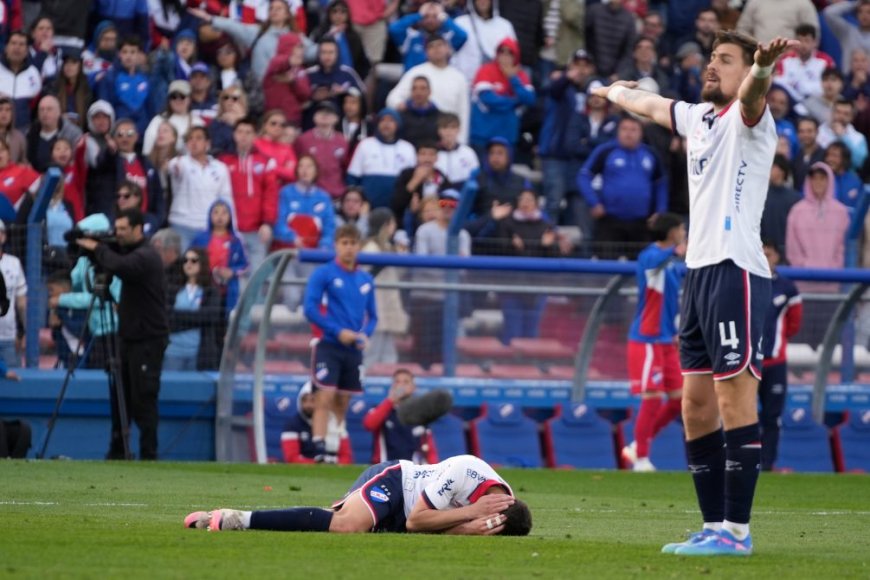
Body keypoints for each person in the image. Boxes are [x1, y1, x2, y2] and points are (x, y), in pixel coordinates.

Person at [593, 31, 797, 555]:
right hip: (700, 273)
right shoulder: (699, 118)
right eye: (711, 58)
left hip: (736, 271)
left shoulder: (749, 118)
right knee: (696, 407)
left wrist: (759, 68)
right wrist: (611, 90)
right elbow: (649, 103)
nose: (712, 66)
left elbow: (752, 93)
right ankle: (712, 526)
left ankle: (737, 532)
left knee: (733, 398)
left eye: (724, 60)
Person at [184, 453, 531, 536]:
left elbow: (443, 528)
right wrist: (468, 517)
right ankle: (236, 519)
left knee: (332, 522)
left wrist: (469, 528)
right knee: (347, 525)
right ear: (495, 506)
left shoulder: (507, 507)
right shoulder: (465, 470)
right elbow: (417, 521)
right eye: (489, 524)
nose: (483, 528)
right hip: (396, 483)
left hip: (410, 514)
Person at [76, 208, 169, 460]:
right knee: (121, 398)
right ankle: (117, 449)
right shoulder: (130, 253)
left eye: (123, 229)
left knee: (143, 399)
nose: (118, 234)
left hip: (147, 339)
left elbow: (122, 266)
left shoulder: (146, 255)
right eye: (116, 229)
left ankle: (149, 453)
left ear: (138, 229)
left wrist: (98, 249)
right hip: (128, 337)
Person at [302, 224, 377, 463]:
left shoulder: (366, 279)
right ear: (336, 245)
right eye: (344, 243)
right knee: (324, 395)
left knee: (344, 399)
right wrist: (337, 331)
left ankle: (334, 445)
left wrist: (365, 333)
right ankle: (319, 447)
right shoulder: (323, 274)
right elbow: (310, 308)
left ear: (359, 246)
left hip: (353, 349)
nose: (349, 248)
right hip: (329, 344)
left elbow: (373, 316)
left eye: (353, 243)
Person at [621, 213, 687, 473]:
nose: (683, 231)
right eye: (681, 228)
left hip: (665, 339)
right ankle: (641, 459)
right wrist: (679, 250)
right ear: (671, 232)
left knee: (679, 399)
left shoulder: (670, 263)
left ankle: (638, 444)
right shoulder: (650, 256)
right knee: (652, 398)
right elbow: (658, 261)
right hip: (646, 339)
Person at [578, 115, 668, 259]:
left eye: (633, 130)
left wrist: (660, 210)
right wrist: (593, 202)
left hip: (641, 222)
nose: (628, 133)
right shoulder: (606, 151)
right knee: (606, 265)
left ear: (641, 133)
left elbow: (661, 183)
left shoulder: (650, 154)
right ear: (618, 131)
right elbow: (584, 175)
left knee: (642, 265)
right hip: (610, 220)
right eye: (624, 129)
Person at [50, 213, 121, 371]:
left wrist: (61, 300)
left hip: (113, 332)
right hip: (93, 333)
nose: (79, 244)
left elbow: (101, 299)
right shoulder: (84, 261)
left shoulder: (115, 262)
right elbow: (73, 285)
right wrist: (58, 303)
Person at [759, 241, 802, 471]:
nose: (765, 258)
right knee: (739, 415)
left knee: (772, 417)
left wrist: (777, 342)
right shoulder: (746, 282)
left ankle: (767, 464)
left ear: (777, 257)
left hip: (775, 363)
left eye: (769, 254)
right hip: (748, 361)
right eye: (762, 253)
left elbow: (794, 324)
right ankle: (741, 463)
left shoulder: (787, 288)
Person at [219, 117, 278, 276]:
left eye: (248, 132)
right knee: (231, 274)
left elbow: (270, 195)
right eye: (240, 132)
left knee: (256, 276)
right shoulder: (223, 161)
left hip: (256, 230)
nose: (243, 136)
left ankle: (254, 302)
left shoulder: (266, 162)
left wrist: (267, 223)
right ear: (234, 135)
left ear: (255, 136)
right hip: (230, 230)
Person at [386, 34, 471, 143]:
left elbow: (463, 112)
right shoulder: (416, 72)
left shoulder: (459, 77)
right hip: (419, 133)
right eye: (431, 46)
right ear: (426, 52)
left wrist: (460, 141)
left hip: (447, 135)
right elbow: (392, 98)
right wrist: (401, 105)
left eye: (440, 45)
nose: (436, 49)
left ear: (448, 49)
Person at [167, 126, 234, 249]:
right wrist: (174, 166)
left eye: (198, 138)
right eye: (190, 139)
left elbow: (226, 200)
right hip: (181, 224)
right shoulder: (180, 162)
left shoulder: (220, 168)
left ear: (207, 143)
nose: (194, 142)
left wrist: (232, 228)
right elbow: (174, 168)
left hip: (207, 227)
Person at [469, 38, 535, 153]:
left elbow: (529, 99)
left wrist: (513, 78)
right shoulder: (485, 70)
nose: (505, 55)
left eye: (510, 52)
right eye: (502, 51)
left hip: (507, 137)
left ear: (516, 56)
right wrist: (515, 101)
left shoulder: (521, 75)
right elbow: (488, 99)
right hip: (483, 136)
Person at [361, 208, 408, 367]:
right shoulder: (370, 248)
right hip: (374, 305)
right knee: (371, 353)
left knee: (389, 354)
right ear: (385, 225)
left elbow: (399, 273)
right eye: (392, 223)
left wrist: (401, 255)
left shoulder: (389, 246)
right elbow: (367, 273)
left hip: (389, 303)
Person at [163, 247, 223, 371]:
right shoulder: (172, 289)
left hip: (199, 353)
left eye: (193, 260)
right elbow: (166, 316)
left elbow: (210, 316)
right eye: (185, 260)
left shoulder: (211, 291)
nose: (188, 264)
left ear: (202, 263)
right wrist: (196, 319)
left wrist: (179, 317)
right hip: (173, 351)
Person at [346, 108, 415, 209]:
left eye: (391, 120)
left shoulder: (407, 148)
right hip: (368, 207)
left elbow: (412, 180)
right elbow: (353, 177)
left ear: (398, 124)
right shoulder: (365, 144)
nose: (386, 124)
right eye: (383, 120)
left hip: (399, 208)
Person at [191, 200, 249, 316]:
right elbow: (191, 260)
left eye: (224, 213)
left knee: (224, 321)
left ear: (230, 217)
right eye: (216, 212)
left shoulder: (236, 240)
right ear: (209, 215)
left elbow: (245, 265)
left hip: (227, 290)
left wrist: (231, 272)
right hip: (204, 288)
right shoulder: (200, 238)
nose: (220, 217)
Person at [362, 369, 432, 463]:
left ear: (413, 388)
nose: (401, 385)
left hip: (413, 471)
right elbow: (369, 424)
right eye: (397, 382)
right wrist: (390, 400)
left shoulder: (421, 413)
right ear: (392, 386)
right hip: (386, 469)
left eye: (406, 382)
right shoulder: (381, 409)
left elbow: (430, 448)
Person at [281, 381, 353, 464]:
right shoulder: (292, 424)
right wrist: (316, 463)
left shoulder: (335, 421)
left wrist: (330, 462)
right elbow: (292, 457)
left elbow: (347, 457)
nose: (308, 405)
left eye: (313, 400)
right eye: (304, 400)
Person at [294, 100, 349, 200]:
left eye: (329, 112)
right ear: (314, 117)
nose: (325, 115)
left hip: (336, 194)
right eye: (320, 112)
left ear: (336, 118)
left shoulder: (343, 141)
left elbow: (345, 167)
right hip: (310, 193)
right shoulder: (303, 139)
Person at [389, 1, 467, 71]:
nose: (430, 20)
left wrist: (444, 17)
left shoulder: (446, 39)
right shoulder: (411, 37)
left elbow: (462, 36)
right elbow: (394, 29)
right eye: (426, 16)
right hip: (413, 82)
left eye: (435, 16)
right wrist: (418, 15)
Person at [0, 30, 42, 131]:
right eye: (13, 43)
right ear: (6, 48)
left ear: (27, 50)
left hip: (23, 129)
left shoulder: (34, 73)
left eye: (21, 44)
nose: (17, 47)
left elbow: (35, 104)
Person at [760, 155, 801, 256]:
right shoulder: (759, 195)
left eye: (772, 166)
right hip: (764, 251)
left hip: (789, 252)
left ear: (782, 170)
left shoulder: (795, 198)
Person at [0, 219, 26, 368]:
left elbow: (21, 303)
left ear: (3, 236)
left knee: (14, 385)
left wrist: (23, 332)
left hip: (9, 338)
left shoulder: (14, 263)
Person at [434, 112, 478, 190]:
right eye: (444, 127)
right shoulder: (433, 153)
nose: (448, 132)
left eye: (452, 127)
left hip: (462, 194)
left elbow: (475, 177)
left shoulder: (468, 153)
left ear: (459, 130)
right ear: (438, 130)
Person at [823, 0, 870, 74]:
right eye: (860, 12)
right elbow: (829, 13)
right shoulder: (847, 32)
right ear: (856, 14)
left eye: (869, 12)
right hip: (847, 82)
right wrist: (855, 4)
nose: (864, 15)